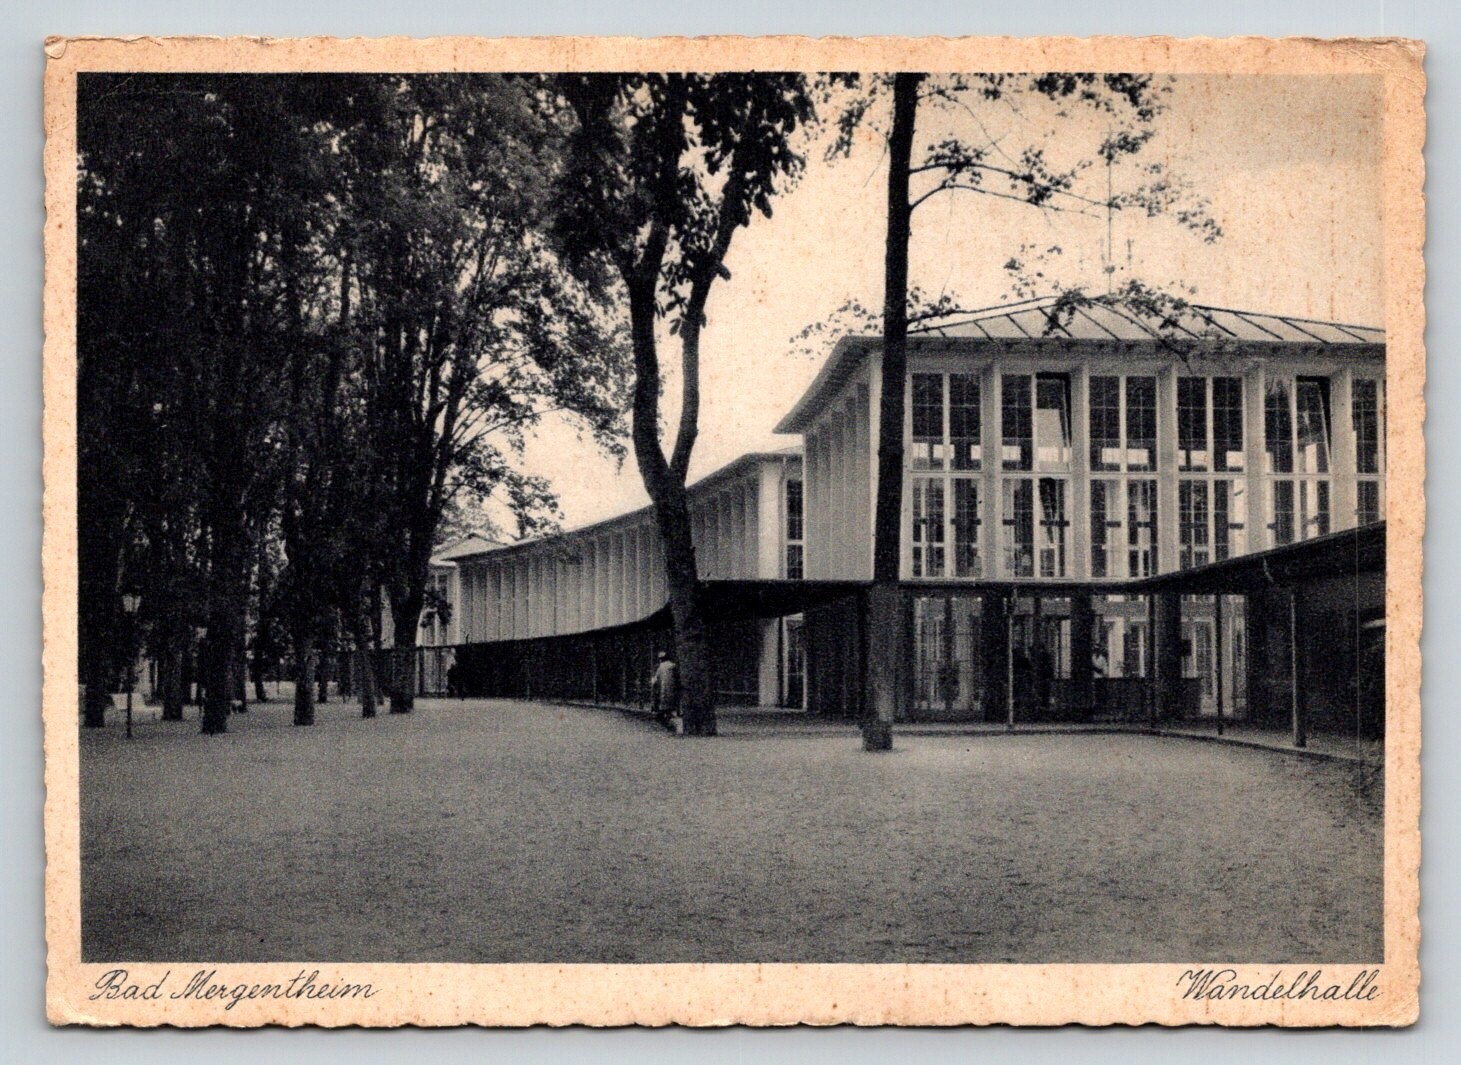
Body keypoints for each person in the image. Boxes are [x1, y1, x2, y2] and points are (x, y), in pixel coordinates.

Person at [650, 651, 679, 731]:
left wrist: (653, 683)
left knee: (663, 709)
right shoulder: (673, 665)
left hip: (663, 691)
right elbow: (677, 678)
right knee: (670, 707)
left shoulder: (661, 667)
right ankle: (670, 722)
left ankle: (669, 724)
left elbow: (655, 679)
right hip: (672, 690)